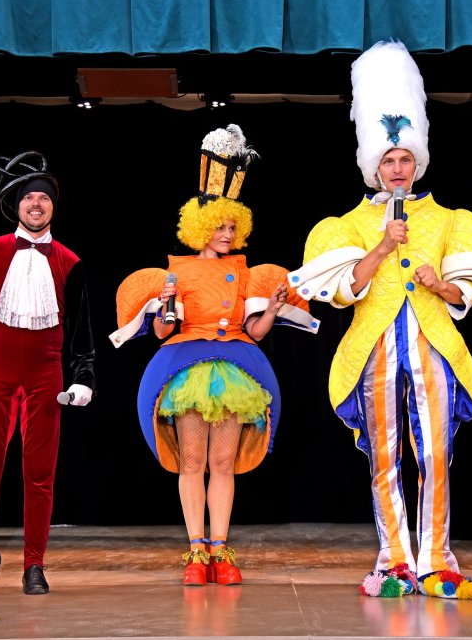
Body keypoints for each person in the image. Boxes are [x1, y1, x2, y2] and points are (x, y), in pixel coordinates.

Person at [289, 40, 472, 599]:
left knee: (434, 454)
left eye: (404, 159)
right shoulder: (346, 225)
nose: (396, 168)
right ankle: (393, 562)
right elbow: (343, 292)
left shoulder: (450, 220)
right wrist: (383, 247)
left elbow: (468, 293)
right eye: (388, 160)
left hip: (432, 345)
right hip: (376, 349)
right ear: (374, 165)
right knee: (386, 456)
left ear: (417, 162)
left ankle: (436, 560)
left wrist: (441, 285)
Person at [109, 125, 319, 586]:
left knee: (222, 464)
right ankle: (196, 552)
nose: (227, 234)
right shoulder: (178, 270)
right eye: (219, 227)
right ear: (200, 227)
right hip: (188, 371)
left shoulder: (243, 272)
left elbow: (254, 332)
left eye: (232, 227)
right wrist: (165, 303)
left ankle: (221, 550)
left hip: (234, 371)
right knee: (192, 463)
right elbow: (162, 331)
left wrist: (274, 309)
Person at [0, 150, 96, 595]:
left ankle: (34, 564)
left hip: (45, 377)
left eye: (44, 198)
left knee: (40, 475)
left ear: (54, 207)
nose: (36, 204)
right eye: (29, 197)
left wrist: (83, 377)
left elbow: (82, 331)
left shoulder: (69, 261)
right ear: (16, 205)